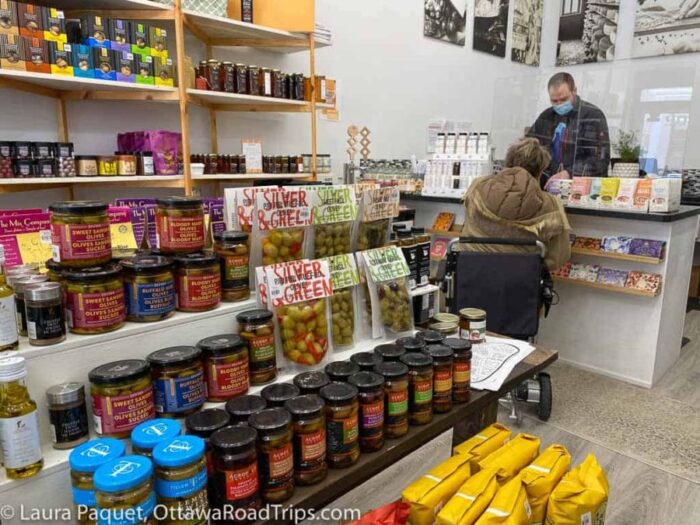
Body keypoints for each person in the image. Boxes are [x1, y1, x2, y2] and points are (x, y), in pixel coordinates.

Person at [460, 137, 571, 271]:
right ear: (541, 171)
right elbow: (558, 257)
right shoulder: (552, 204)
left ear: (508, 162)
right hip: (521, 283)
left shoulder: (478, 186)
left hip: (470, 277)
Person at [527, 72, 610, 188]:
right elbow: (528, 148)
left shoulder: (593, 116)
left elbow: (600, 160)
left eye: (564, 99)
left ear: (574, 91)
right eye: (554, 101)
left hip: (579, 190)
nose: (559, 104)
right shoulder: (546, 117)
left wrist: (569, 173)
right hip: (547, 188)